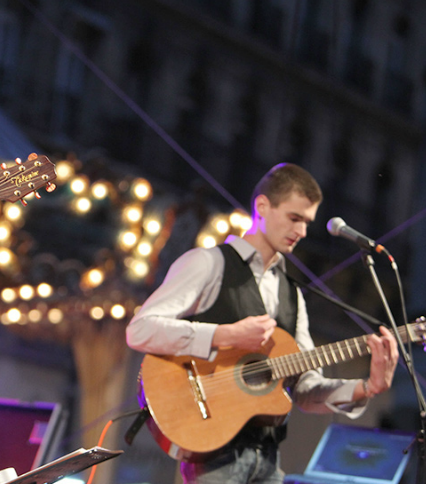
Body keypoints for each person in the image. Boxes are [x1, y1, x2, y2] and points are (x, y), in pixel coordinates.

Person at [126, 163, 399, 484]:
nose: (302, 232)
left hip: (268, 459)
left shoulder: (293, 294)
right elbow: (140, 330)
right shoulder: (208, 263)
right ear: (262, 207)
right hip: (212, 456)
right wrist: (225, 334)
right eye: (294, 218)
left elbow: (305, 388)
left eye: (307, 222)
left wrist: (366, 388)